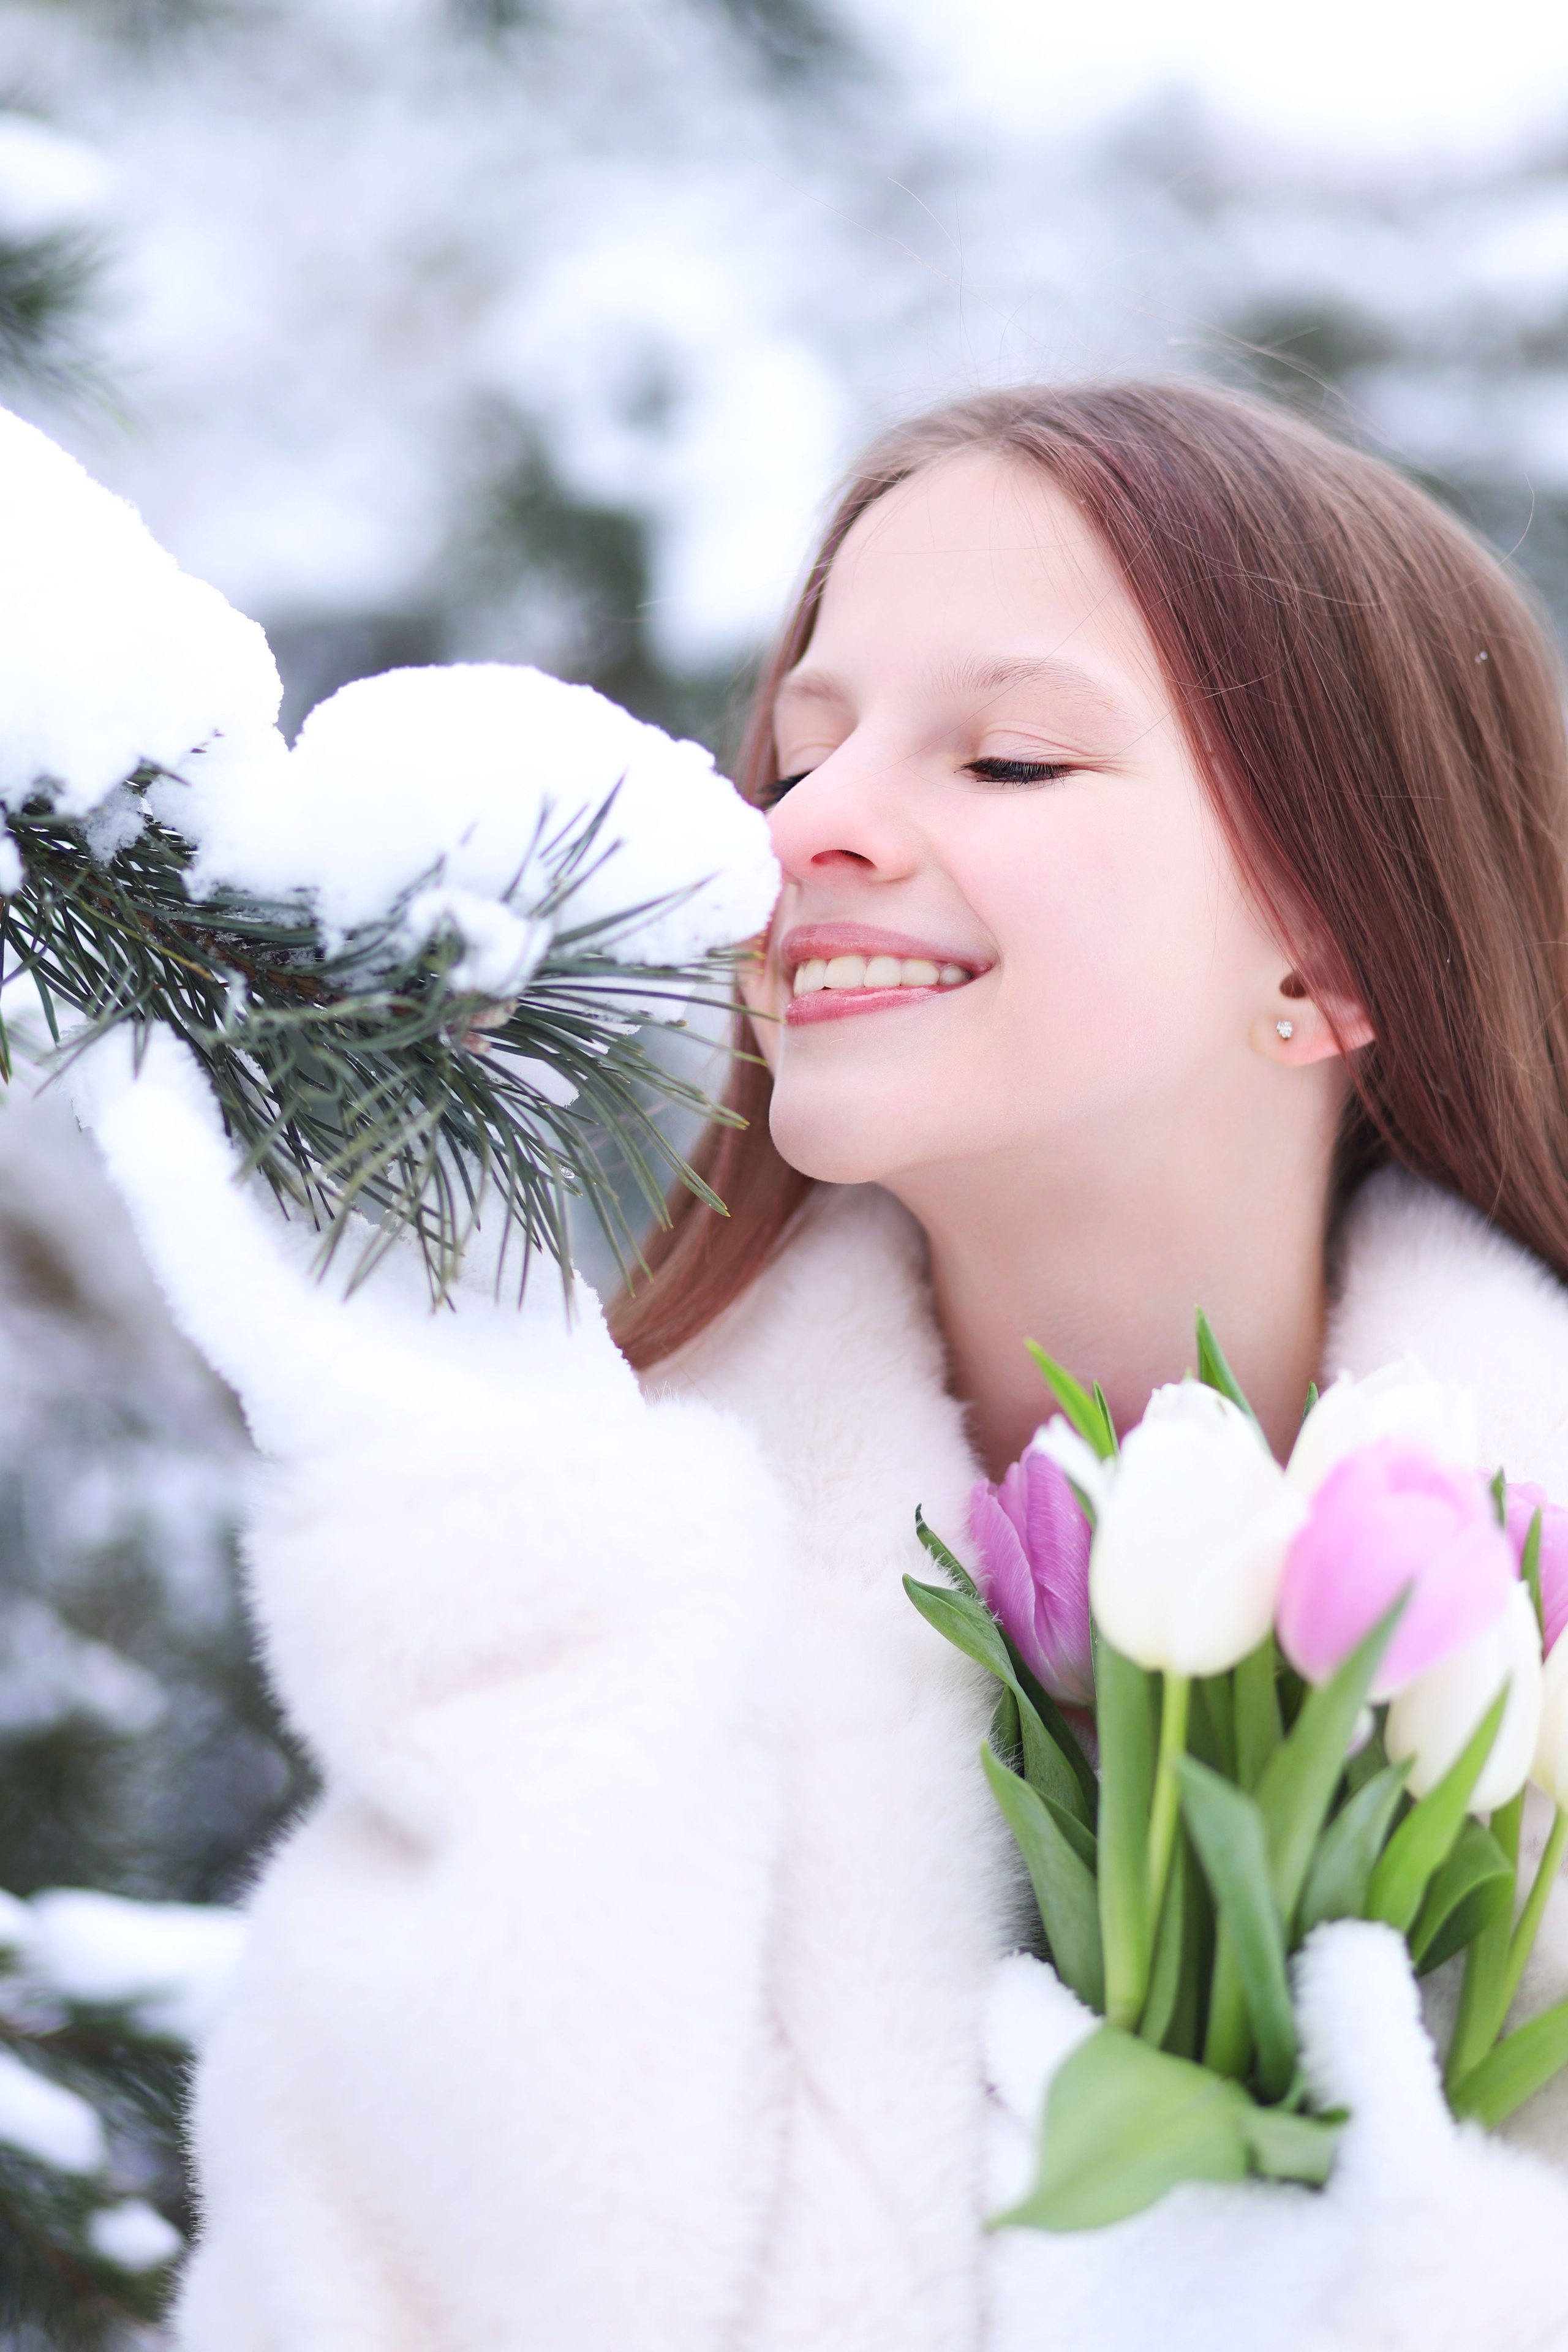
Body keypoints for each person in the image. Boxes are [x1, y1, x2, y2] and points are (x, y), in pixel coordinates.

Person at [77, 382, 1568, 2350]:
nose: (806, 827)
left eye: (1013, 759)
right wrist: (479, 1550)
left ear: (1328, 953)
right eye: (802, 749)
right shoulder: (593, 1620)